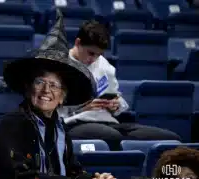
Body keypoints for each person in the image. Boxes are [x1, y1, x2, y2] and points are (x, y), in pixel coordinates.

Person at [0, 10, 118, 179]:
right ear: (28, 89)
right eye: (39, 82)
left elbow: (73, 171)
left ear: (62, 97)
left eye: (54, 85)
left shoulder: (59, 127)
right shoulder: (14, 123)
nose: (46, 91)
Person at [58, 20, 181, 150]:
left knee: (171, 139)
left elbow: (116, 97)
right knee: (113, 136)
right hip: (73, 122)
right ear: (78, 43)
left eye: (99, 54)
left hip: (108, 122)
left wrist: (115, 105)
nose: (93, 59)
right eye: (91, 53)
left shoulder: (104, 65)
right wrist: (82, 107)